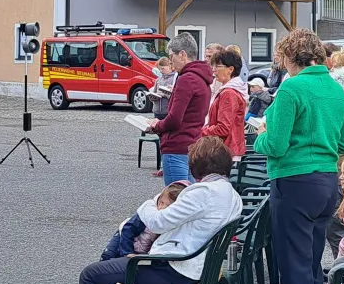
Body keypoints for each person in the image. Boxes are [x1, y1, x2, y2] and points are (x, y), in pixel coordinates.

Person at [63, 137, 243, 284]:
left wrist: (150, 203)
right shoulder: (232, 195)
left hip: (172, 272)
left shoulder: (203, 192)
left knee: (91, 275)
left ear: (197, 166)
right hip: (198, 272)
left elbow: (158, 221)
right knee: (109, 268)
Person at [258, 30, 344, 284]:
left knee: (295, 272)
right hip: (327, 182)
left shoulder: (291, 89)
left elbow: (276, 145)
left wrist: (261, 136)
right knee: (311, 268)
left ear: (289, 57)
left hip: (294, 182)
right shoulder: (335, 89)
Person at [147, 34, 212, 185]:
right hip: (193, 144)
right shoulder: (203, 79)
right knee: (190, 194)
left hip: (176, 146)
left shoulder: (186, 79)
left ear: (182, 54)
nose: (170, 62)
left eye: (172, 56)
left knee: (176, 196)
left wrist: (156, 125)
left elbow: (175, 119)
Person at [101, 181, 187, 260]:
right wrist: (127, 252)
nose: (162, 207)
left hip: (142, 248)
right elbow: (128, 230)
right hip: (124, 237)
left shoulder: (173, 221)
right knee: (108, 256)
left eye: (168, 206)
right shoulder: (149, 215)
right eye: (161, 202)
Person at [201, 47, 248, 159]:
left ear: (230, 69)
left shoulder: (229, 93)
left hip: (225, 151)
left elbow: (223, 128)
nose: (214, 70)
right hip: (227, 149)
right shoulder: (234, 89)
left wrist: (200, 131)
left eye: (218, 66)